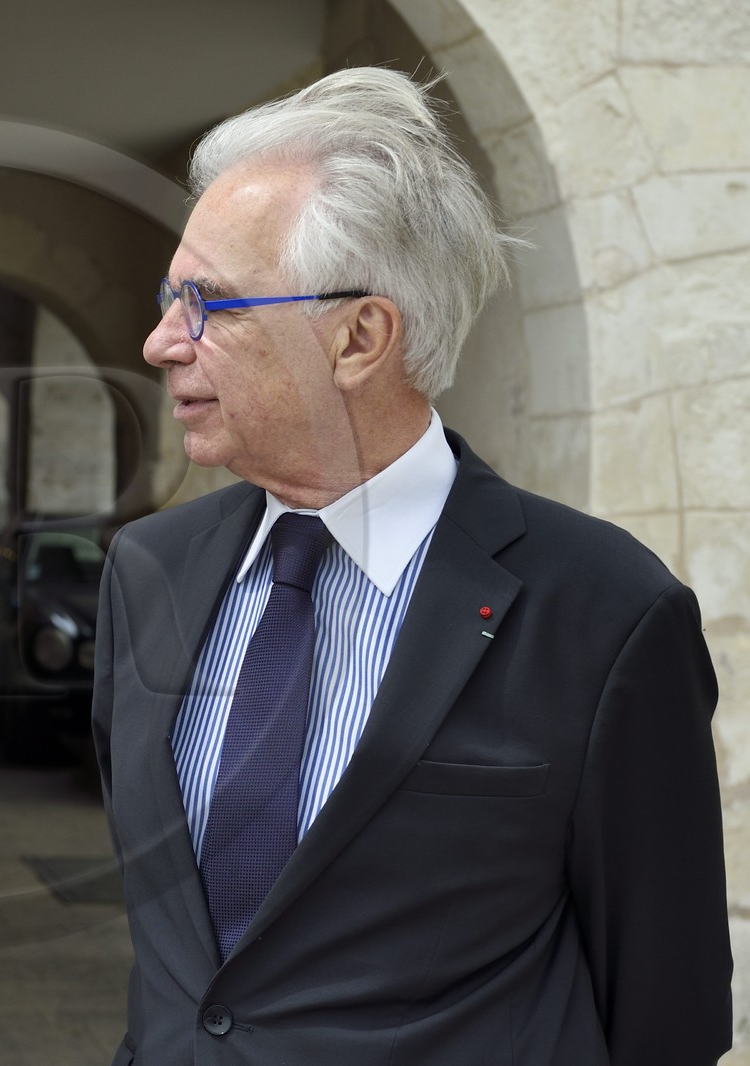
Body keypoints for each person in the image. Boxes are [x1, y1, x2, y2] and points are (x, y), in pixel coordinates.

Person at [94, 68, 729, 1066]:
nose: (160, 341)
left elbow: (666, 1008)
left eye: (208, 304)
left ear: (358, 338)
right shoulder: (147, 571)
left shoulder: (606, 611)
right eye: (171, 300)